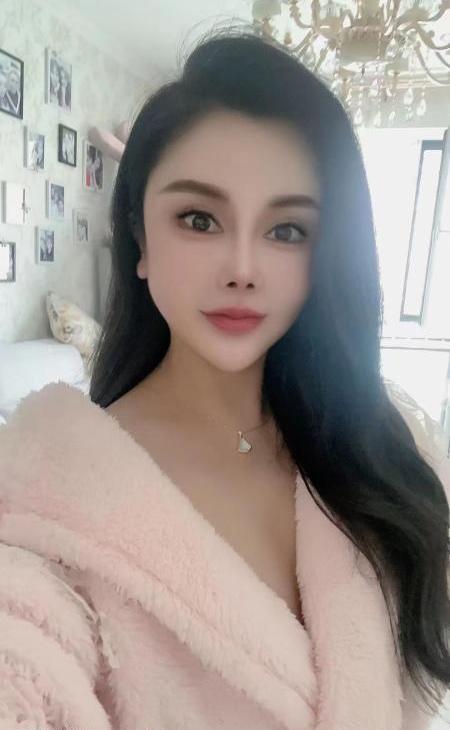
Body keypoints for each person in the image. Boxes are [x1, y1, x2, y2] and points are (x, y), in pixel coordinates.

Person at [0, 26, 449, 730]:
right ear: (139, 239)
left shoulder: (384, 445)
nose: (243, 267)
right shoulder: (41, 502)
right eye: (199, 218)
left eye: (287, 230)